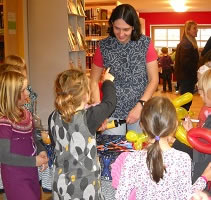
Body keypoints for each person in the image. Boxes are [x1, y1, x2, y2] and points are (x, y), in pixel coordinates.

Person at [111, 96, 211, 200]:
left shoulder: (132, 159)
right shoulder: (182, 159)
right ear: (175, 125)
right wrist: (203, 179)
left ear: (142, 126)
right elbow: (186, 197)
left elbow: (120, 196)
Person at [90, 4, 158, 135]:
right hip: (111, 109)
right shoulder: (104, 46)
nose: (121, 34)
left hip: (141, 106)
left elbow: (153, 80)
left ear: (133, 27)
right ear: (111, 25)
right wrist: (99, 111)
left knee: (138, 150)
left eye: (126, 29)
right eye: (117, 28)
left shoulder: (145, 44)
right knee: (114, 150)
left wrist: (140, 105)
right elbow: (93, 81)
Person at [49, 68, 116, 199]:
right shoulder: (89, 117)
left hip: (61, 186)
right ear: (85, 94)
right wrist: (107, 81)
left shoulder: (52, 116)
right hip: (85, 188)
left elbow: (59, 143)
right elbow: (110, 103)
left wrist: (89, 131)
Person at [0, 70, 48, 200]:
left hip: (31, 173)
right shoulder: (4, 121)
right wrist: (34, 161)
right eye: (23, 90)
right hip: (15, 178)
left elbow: (33, 140)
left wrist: (41, 151)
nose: (27, 93)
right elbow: (4, 157)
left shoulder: (27, 114)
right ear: (12, 95)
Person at [183, 69, 211, 194]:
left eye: (203, 92)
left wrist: (198, 179)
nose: (200, 94)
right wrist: (191, 131)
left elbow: (204, 152)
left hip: (205, 174)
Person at [175, 20, 199, 111]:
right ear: (188, 30)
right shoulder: (187, 44)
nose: (197, 30)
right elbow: (186, 64)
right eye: (194, 28)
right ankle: (183, 121)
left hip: (186, 78)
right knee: (186, 102)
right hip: (187, 78)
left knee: (186, 101)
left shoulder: (188, 42)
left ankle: (184, 120)